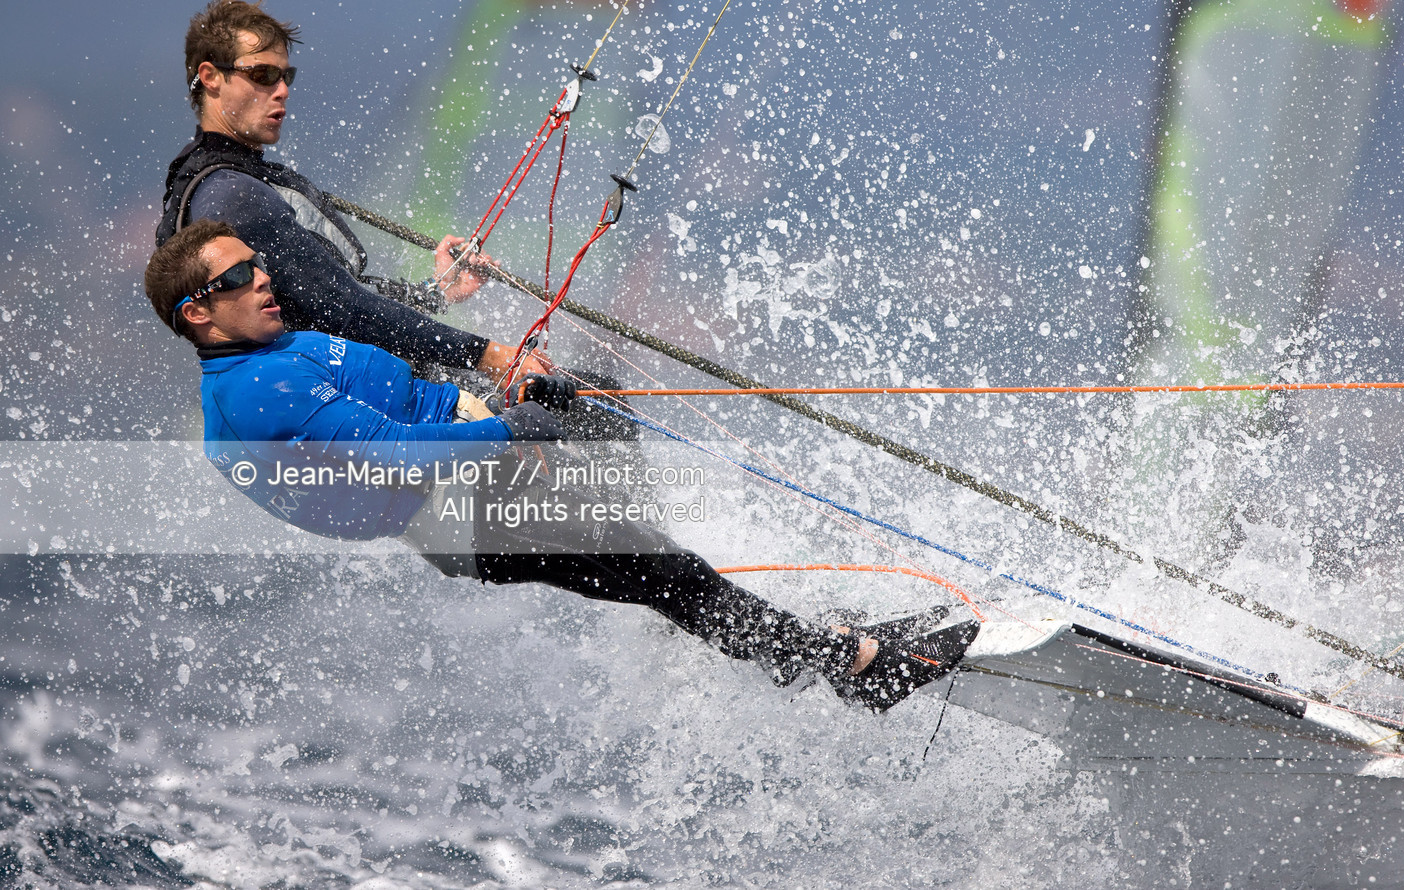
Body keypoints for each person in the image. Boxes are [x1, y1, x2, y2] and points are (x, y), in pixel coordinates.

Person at [143, 220, 978, 712]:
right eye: (241, 275)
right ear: (198, 313)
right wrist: (513, 426)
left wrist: (473, 352)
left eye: (258, 262)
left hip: (474, 475)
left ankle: (777, 627)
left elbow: (377, 343)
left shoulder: (267, 343)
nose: (266, 278)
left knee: (634, 490)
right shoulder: (258, 388)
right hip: (463, 516)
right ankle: (852, 666)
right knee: (662, 570)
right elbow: (398, 454)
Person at [155, 0, 540, 386]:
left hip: (368, 385)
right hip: (356, 398)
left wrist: (435, 292)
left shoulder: (226, 179)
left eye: (286, 76)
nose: (282, 90)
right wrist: (489, 355)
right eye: (263, 74)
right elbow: (345, 310)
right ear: (210, 77)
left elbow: (329, 297)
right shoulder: (233, 195)